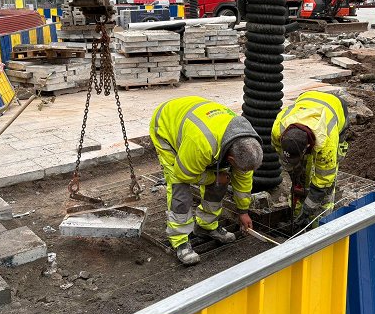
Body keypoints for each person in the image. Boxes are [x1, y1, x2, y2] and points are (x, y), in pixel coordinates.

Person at [149, 97, 263, 265]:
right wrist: (215, 177)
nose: (244, 172)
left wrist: (243, 211)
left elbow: (243, 177)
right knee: (180, 189)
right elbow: (184, 174)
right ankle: (180, 240)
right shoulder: (201, 143)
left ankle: (206, 225)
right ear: (230, 158)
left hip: (198, 124)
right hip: (166, 125)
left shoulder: (246, 142)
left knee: (221, 181)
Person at [271, 91, 349, 231]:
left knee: (326, 186)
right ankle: (296, 220)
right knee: (301, 179)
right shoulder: (278, 129)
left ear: (307, 147)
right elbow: (282, 156)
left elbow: (323, 182)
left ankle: (320, 224)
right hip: (307, 98)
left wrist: (308, 208)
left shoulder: (327, 143)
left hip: (335, 108)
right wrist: (295, 175)